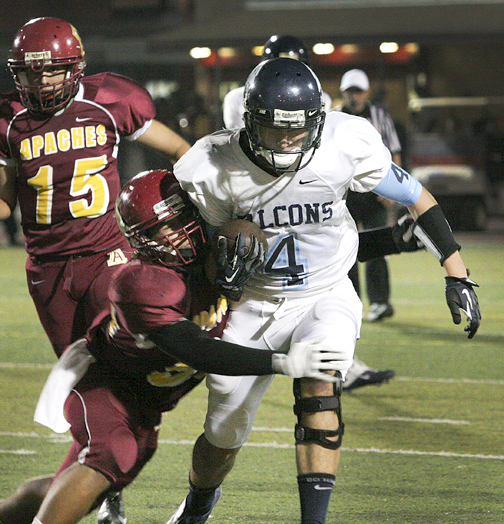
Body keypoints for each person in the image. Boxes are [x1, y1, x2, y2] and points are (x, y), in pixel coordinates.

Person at [167, 58, 481, 524]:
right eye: (276, 129)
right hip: (252, 303)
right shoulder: (209, 165)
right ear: (250, 121)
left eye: (299, 128)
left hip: (326, 293)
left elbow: (416, 196)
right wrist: (218, 274)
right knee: (222, 435)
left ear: (318, 119)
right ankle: (198, 504)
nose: (288, 140)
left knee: (319, 390)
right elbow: (202, 251)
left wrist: (456, 272)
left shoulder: (344, 140)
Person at [0, 169, 344, 524]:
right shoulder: (142, 282)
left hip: (147, 405)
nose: (174, 234)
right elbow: (197, 350)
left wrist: (380, 241)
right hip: (106, 385)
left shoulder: (221, 255)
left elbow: (315, 257)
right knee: (112, 455)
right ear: (139, 240)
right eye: (158, 230)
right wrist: (281, 362)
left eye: (179, 219)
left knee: (80, 487)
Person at [0, 16, 191, 524]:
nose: (41, 82)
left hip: (109, 258)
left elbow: (179, 150)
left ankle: (103, 480)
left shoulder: (110, 100)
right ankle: (101, 488)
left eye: (51, 70)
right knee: (89, 388)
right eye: (31, 72)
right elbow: (4, 203)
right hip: (47, 274)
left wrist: (194, 204)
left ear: (75, 67)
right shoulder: (9, 120)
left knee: (126, 371)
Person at [224, 42, 396, 392]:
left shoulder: (328, 106)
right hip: (257, 194)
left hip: (310, 192)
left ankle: (337, 359)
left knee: (330, 268)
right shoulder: (238, 99)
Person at [222, 35, 332, 130]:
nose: (288, 72)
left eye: (294, 65)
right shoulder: (236, 97)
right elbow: (241, 136)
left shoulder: (319, 97)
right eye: (282, 66)